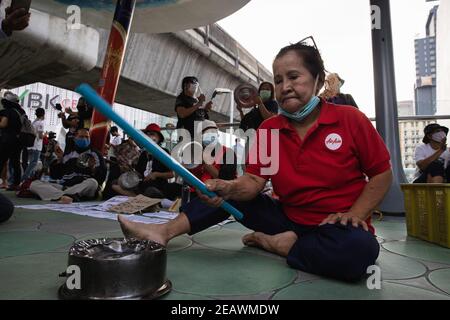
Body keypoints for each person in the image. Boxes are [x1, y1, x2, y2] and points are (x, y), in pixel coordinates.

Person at [118, 40, 393, 282]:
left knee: (362, 251)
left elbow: (381, 174)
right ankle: (162, 232)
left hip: (337, 227)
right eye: (278, 80)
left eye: (294, 77)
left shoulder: (350, 119)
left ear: (318, 80)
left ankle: (277, 245)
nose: (285, 87)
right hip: (287, 219)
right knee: (231, 194)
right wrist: (224, 187)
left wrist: (355, 216)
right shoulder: (270, 129)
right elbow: (252, 184)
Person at [29, 128, 107, 204]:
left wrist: (93, 169)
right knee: (34, 184)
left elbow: (101, 178)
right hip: (65, 186)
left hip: (83, 186)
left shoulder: (95, 154)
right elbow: (56, 176)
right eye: (81, 137)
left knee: (93, 183)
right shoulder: (68, 155)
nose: (84, 139)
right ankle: (66, 196)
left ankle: (60, 195)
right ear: (75, 138)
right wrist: (59, 159)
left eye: (87, 137)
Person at [112, 123, 174, 198]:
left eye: (152, 134)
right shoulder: (143, 154)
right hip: (142, 186)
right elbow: (138, 173)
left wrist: (156, 174)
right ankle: (138, 197)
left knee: (150, 191)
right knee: (115, 184)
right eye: (147, 135)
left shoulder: (164, 152)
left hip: (157, 187)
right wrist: (130, 175)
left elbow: (171, 174)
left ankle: (140, 198)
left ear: (159, 138)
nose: (149, 137)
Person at [0, 92, 25, 190]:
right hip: (19, 140)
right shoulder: (21, 111)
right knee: (15, 162)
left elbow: (3, 124)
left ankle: (5, 182)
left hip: (7, 140)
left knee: (1, 160)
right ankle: (16, 184)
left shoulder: (8, 111)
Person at [22, 108, 45, 182]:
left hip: (31, 145)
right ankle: (24, 178)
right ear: (43, 114)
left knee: (31, 163)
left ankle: (30, 179)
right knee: (33, 163)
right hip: (36, 146)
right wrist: (46, 135)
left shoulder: (34, 122)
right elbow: (41, 136)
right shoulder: (40, 123)